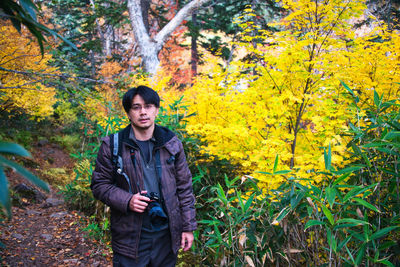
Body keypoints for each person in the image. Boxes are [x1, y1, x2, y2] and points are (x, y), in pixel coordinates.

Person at [91, 86, 196, 267]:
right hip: (130, 234)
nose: (143, 112)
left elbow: (184, 189)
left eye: (148, 106)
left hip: (166, 232)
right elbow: (99, 185)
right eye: (136, 107)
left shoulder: (171, 143)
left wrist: (187, 228)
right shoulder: (113, 144)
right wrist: (127, 200)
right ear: (128, 113)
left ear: (156, 109)